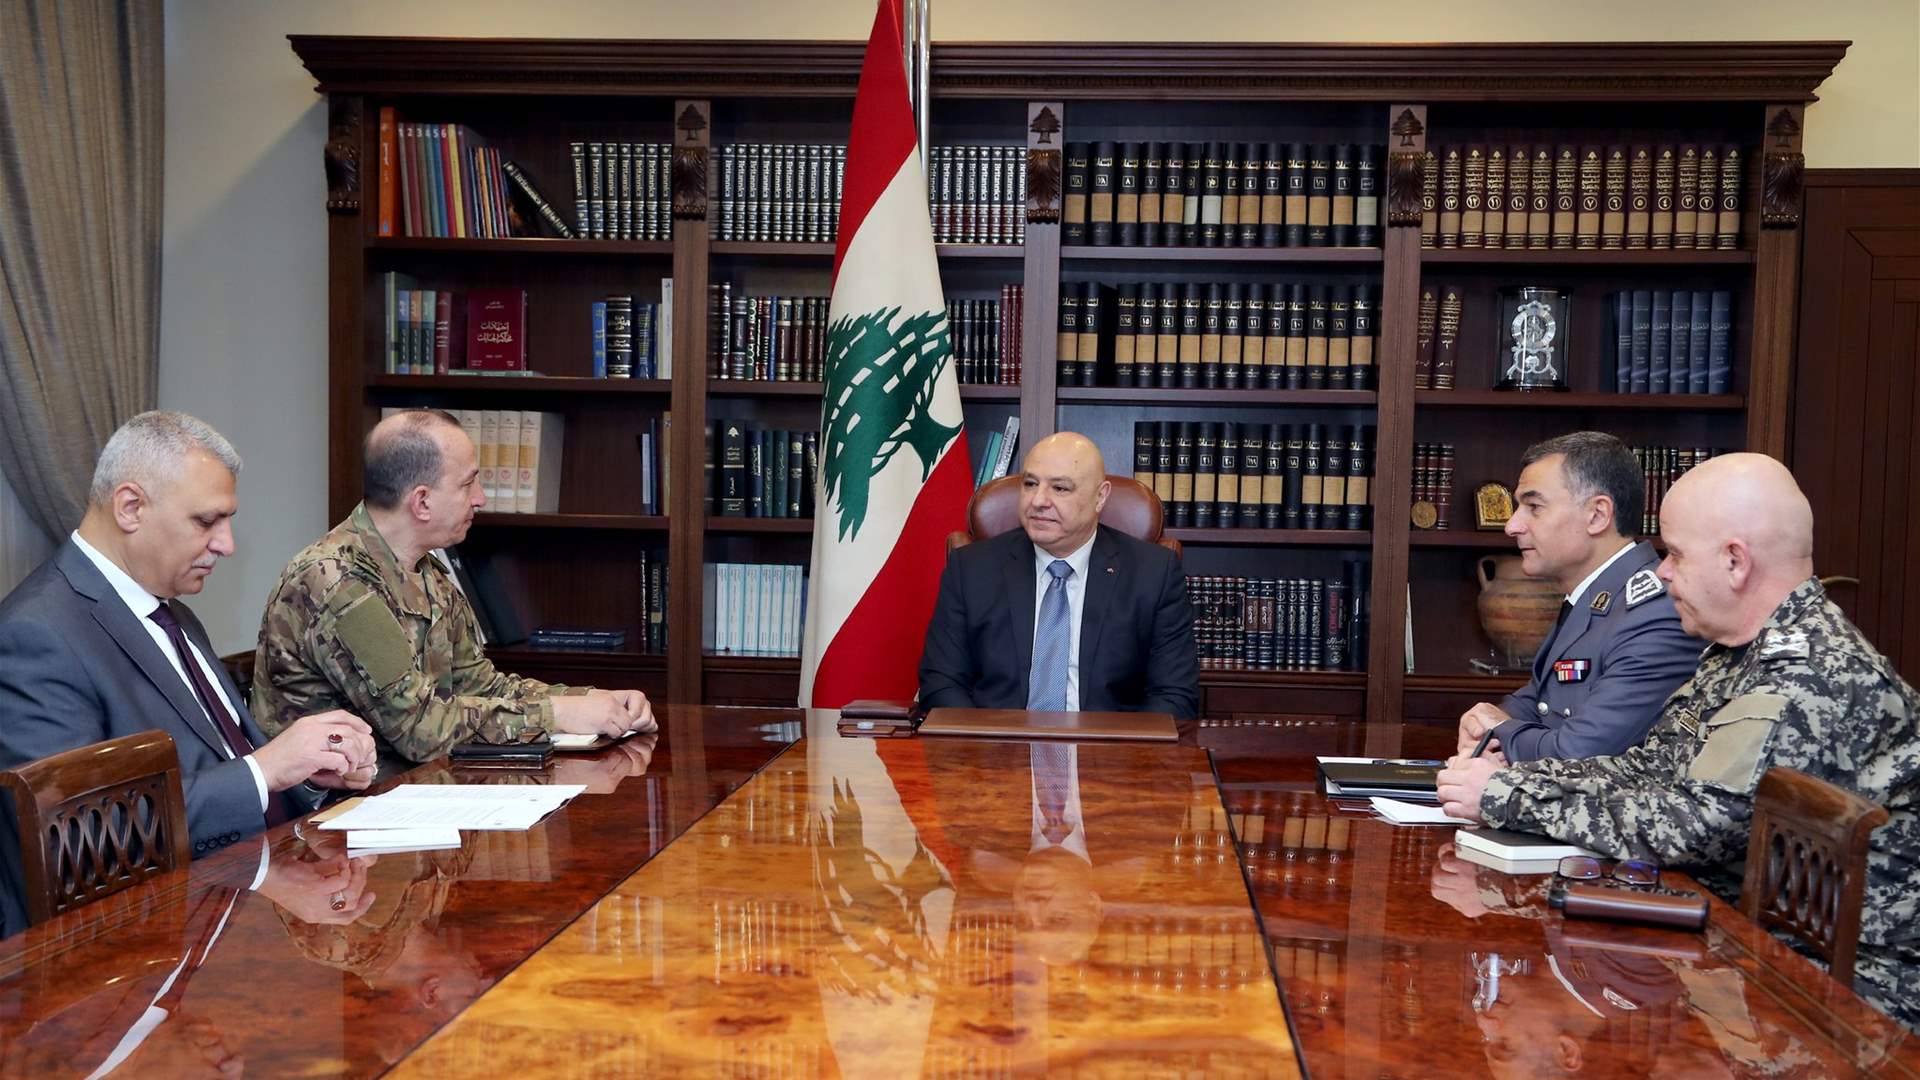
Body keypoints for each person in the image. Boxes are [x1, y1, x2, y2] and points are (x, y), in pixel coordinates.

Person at [1436, 453, 1920, 1030]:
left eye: (1676, 554)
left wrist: (1508, 797)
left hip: (1841, 998)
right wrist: (1511, 778)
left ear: (1735, 561)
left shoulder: (1810, 673)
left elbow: (1696, 827)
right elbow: (1650, 767)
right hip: (1745, 950)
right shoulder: (1738, 653)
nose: (1661, 571)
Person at [0, 411, 378, 938]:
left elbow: (220, 763)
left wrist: (306, 775)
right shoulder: (36, 633)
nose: (227, 544)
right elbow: (75, 843)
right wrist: (263, 772)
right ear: (130, 507)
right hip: (133, 948)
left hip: (240, 901)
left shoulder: (171, 611)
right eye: (206, 522)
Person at [252, 409, 656, 779]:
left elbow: (481, 688)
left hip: (418, 793)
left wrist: (595, 702)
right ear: (422, 501)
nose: (480, 498)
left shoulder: (427, 571)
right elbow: (419, 728)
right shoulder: (337, 581)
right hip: (330, 815)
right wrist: (556, 713)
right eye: (468, 484)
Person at [1457, 432, 1703, 763]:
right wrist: (1485, 721)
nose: (1512, 526)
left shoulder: (1655, 612)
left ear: (1597, 515)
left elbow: (1582, 752)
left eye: (1534, 507)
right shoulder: (1594, 597)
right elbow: (1540, 700)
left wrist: (1500, 733)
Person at [917, 431, 1198, 718]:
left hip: (1108, 743)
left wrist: (1117, 746)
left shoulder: (1153, 573)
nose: (1038, 500)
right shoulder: (971, 569)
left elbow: (1174, 695)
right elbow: (941, 683)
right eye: (1030, 484)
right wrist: (983, 742)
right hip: (995, 740)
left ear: (1100, 497)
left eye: (1060, 488)